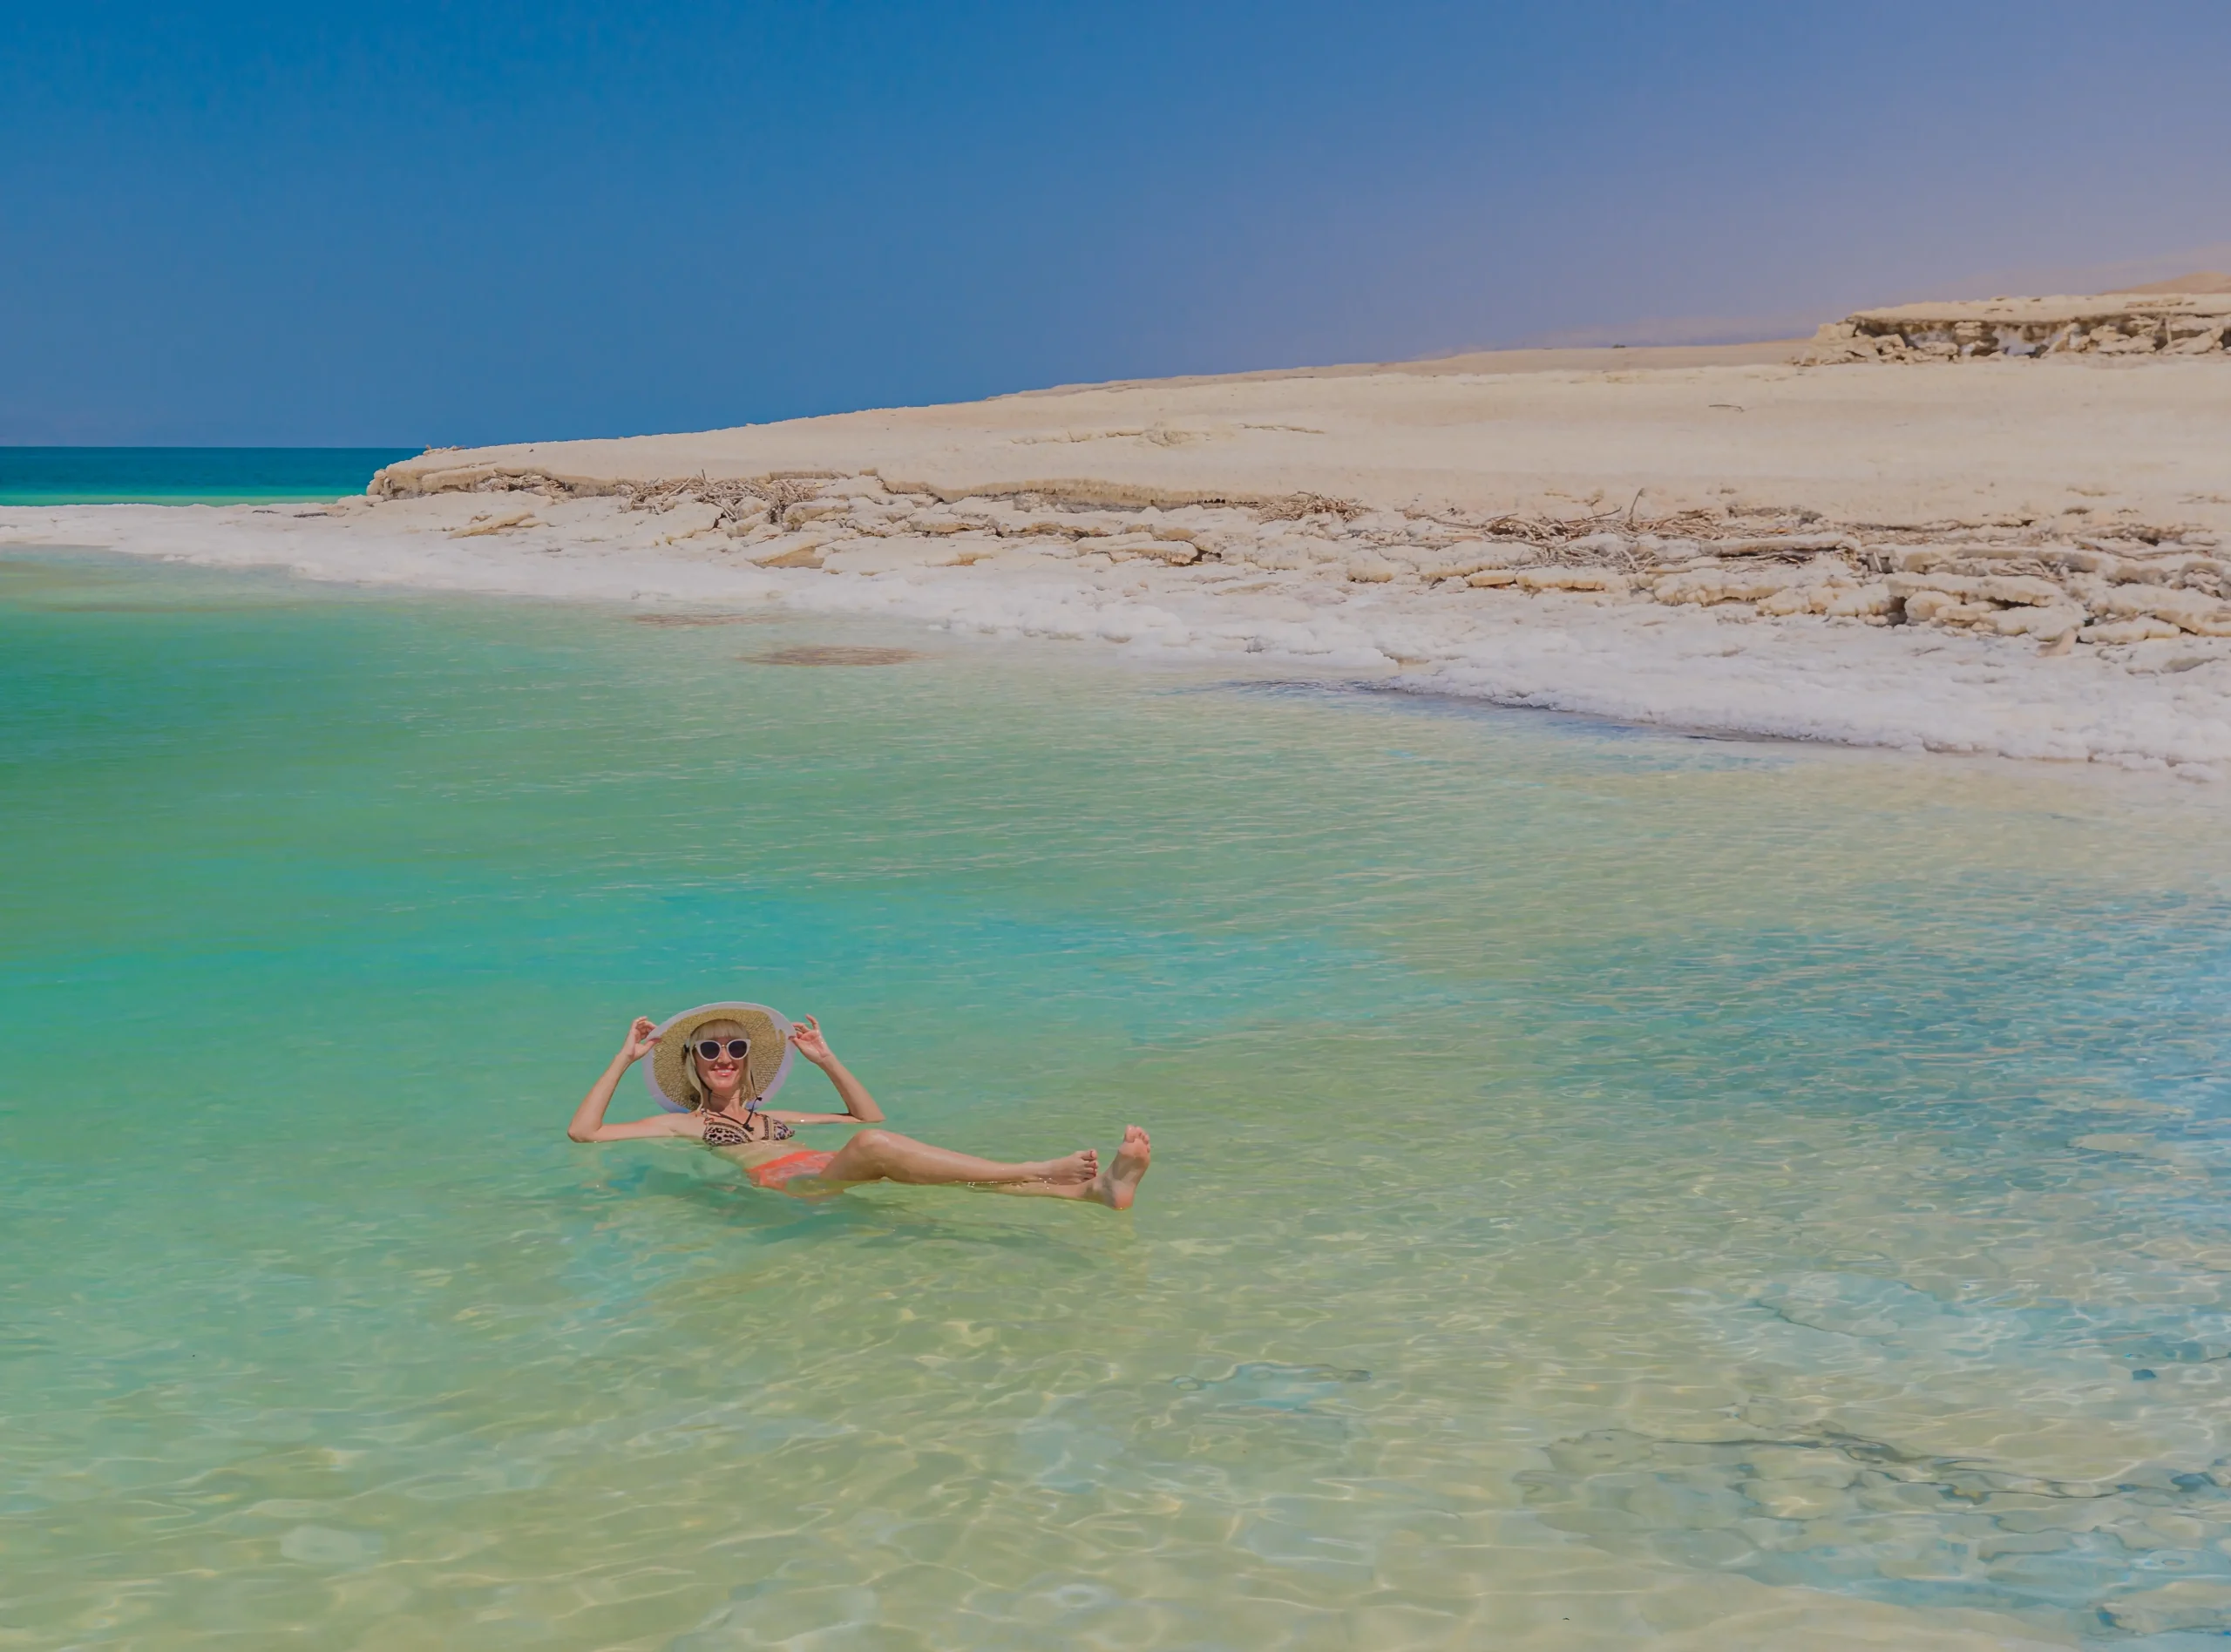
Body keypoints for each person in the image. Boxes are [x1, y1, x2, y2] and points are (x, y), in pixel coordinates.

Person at [566, 1009, 1150, 1209]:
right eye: (710, 1050)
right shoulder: (682, 1123)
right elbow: (584, 1133)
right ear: (694, 1062)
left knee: (952, 1180)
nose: (724, 1058)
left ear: (747, 1061)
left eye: (735, 1049)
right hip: (789, 1188)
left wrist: (827, 1058)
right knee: (877, 1150)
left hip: (823, 1167)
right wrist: (624, 1058)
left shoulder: (781, 1115)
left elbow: (865, 1118)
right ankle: (1033, 1168)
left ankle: (1094, 1193)